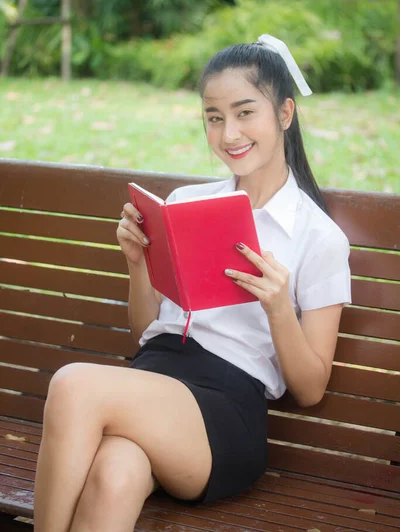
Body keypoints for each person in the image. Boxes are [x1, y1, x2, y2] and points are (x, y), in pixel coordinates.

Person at [33, 34, 351, 532]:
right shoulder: (184, 202)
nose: (229, 134)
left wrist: (277, 308)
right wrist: (138, 264)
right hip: (155, 382)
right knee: (116, 473)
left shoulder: (318, 237)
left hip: (224, 409)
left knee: (73, 384)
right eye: (214, 116)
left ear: (285, 114)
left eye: (246, 112)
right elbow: (145, 330)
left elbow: (310, 388)